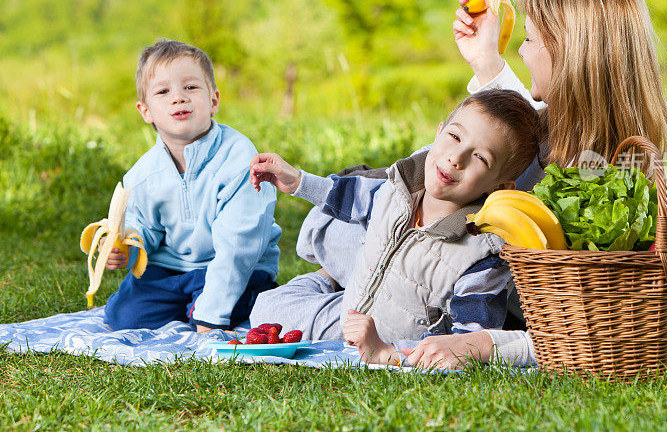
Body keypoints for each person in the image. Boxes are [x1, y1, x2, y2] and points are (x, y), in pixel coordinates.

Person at [400, 0, 667, 368]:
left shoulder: (605, 201)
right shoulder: (573, 146)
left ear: (569, 56)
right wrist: (485, 60)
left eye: (529, 40)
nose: (523, 50)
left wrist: (488, 345)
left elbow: (588, 333)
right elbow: (525, 127)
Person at [248, 89, 544, 365]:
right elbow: (348, 196)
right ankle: (326, 280)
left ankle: (334, 286)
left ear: (500, 187)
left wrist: (386, 352)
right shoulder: (397, 187)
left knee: (278, 319)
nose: (457, 158)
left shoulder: (482, 255)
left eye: (480, 157)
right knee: (265, 309)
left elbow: (463, 343)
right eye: (454, 137)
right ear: (439, 131)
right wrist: (297, 181)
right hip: (350, 313)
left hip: (392, 341)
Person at [100, 39, 282, 332]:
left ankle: (218, 303)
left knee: (221, 308)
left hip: (235, 265)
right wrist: (128, 247)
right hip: (172, 269)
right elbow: (142, 224)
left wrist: (211, 316)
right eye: (163, 91)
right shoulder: (144, 174)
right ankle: (190, 304)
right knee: (123, 317)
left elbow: (240, 244)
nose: (179, 98)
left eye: (191, 87)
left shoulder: (239, 159)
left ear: (213, 101)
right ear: (145, 111)